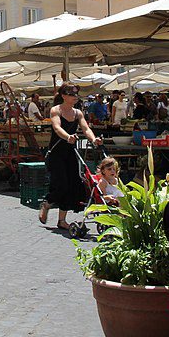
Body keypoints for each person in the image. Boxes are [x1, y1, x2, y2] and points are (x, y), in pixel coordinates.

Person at [38, 84, 103, 231]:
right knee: (61, 184)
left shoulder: (77, 113)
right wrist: (68, 137)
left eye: (76, 94)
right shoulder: (56, 110)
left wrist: (94, 140)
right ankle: (47, 203)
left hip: (70, 153)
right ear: (63, 96)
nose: (75, 97)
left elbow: (86, 128)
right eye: (72, 94)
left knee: (72, 184)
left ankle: (62, 220)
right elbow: (57, 127)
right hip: (56, 154)